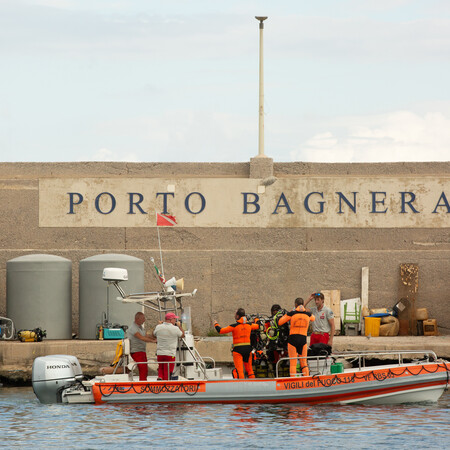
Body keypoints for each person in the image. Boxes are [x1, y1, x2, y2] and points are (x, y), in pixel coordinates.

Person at [214, 308, 259, 379]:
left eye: (235, 314)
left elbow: (220, 331)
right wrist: (256, 319)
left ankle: (241, 387)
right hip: (248, 349)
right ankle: (253, 385)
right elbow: (258, 325)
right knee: (250, 370)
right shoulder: (250, 325)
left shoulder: (234, 326)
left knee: (240, 371)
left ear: (238, 316)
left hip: (238, 350)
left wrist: (216, 324)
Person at [278, 298, 315, 377]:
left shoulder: (292, 313)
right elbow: (313, 318)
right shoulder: (308, 314)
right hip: (303, 340)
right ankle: (306, 380)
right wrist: (307, 311)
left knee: (293, 363)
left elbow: (280, 322)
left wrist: (287, 314)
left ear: (295, 304)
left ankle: (293, 381)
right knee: (304, 363)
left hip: (293, 340)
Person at [152, 312, 185, 380]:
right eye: (174, 319)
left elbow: (153, 334)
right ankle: (166, 384)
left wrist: (159, 325)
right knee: (168, 371)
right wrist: (179, 326)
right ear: (171, 320)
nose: (175, 321)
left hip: (160, 353)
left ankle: (160, 377)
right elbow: (182, 335)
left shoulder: (158, 327)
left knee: (161, 367)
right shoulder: (175, 329)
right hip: (170, 354)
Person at [127, 311, 156, 381]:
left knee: (145, 368)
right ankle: (142, 383)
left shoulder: (140, 327)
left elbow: (146, 336)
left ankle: (144, 381)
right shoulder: (133, 328)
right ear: (137, 319)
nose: (144, 320)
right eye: (143, 318)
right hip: (136, 351)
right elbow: (141, 338)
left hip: (142, 351)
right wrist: (153, 341)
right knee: (142, 368)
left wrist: (155, 338)